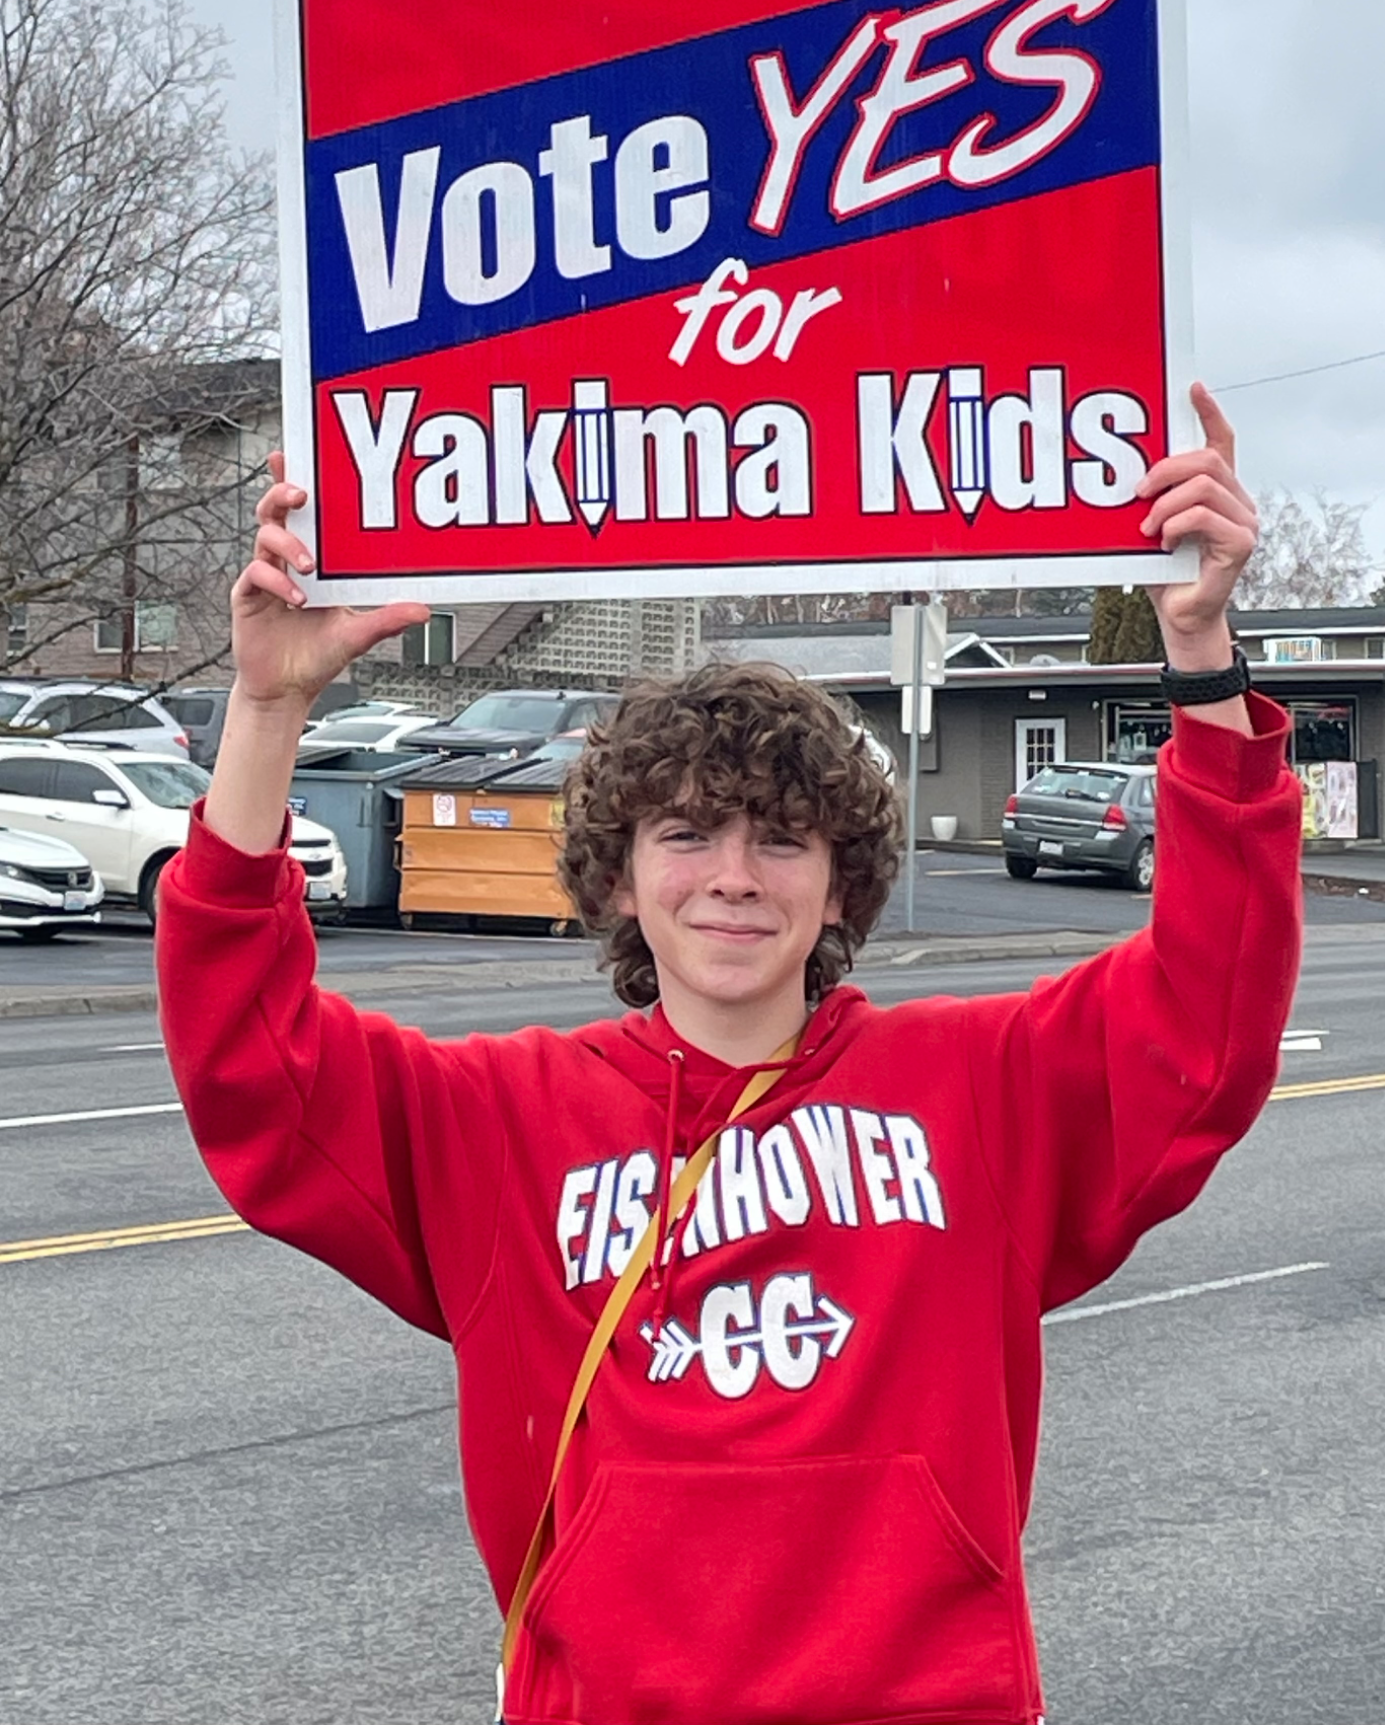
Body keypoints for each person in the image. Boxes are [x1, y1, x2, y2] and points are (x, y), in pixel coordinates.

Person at [156, 383, 1303, 1724]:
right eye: (687, 837)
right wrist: (267, 710)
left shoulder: (976, 1089)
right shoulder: (501, 1120)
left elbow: (1207, 1017)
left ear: (839, 877)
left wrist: (1203, 654)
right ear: (622, 878)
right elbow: (253, 1061)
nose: (735, 879)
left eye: (781, 838)